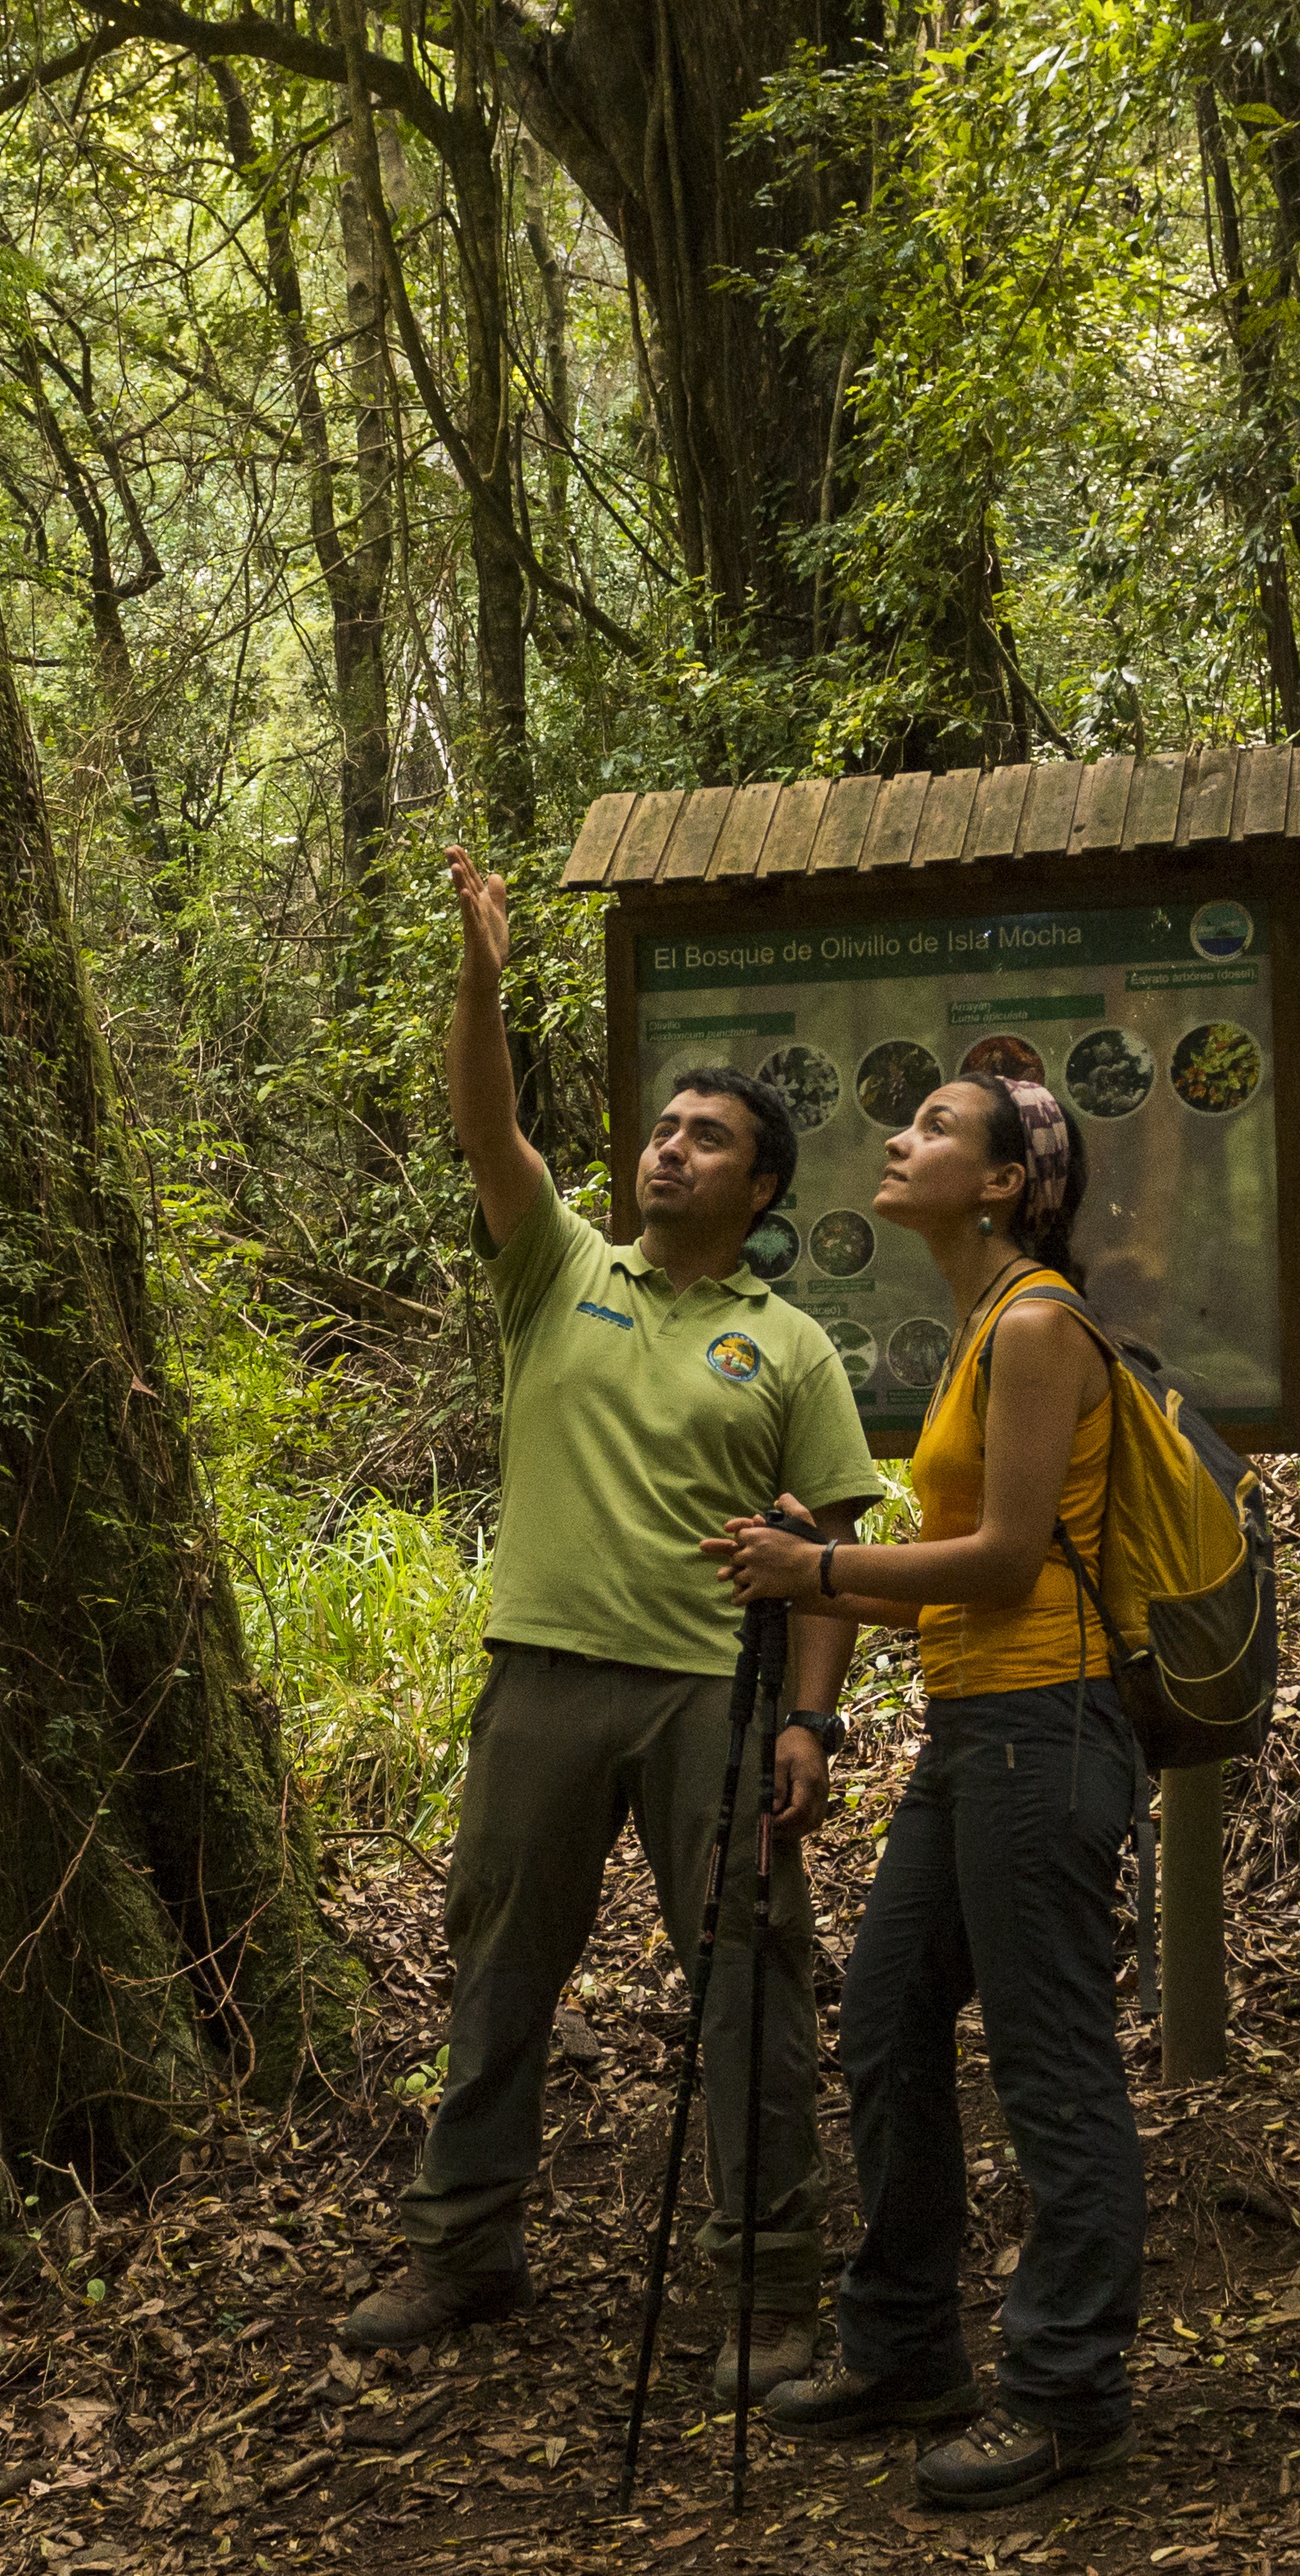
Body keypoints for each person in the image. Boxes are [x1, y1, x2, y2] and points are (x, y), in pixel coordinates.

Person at [342, 849, 892, 2400]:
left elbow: (829, 1555)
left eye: (707, 1137)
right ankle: (465, 2247)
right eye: (663, 1128)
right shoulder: (560, 1267)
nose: (669, 1149)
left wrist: (806, 1719)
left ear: (762, 1185)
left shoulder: (789, 1349)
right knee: (499, 1964)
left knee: (749, 1983)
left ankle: (768, 2287)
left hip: (709, 1705)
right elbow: (483, 1124)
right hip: (541, 1686)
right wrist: (481, 974)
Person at [701, 1071, 1146, 2512]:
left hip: (1045, 1731)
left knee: (1050, 2061)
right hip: (978, 1737)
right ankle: (903, 2343)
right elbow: (956, 1586)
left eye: (938, 1129)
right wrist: (808, 1554)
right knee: (888, 2009)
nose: (901, 1141)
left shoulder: (1031, 1326)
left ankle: (1068, 2389)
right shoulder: (978, 1330)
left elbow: (1011, 1563)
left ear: (1006, 1181)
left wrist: (819, 1570)